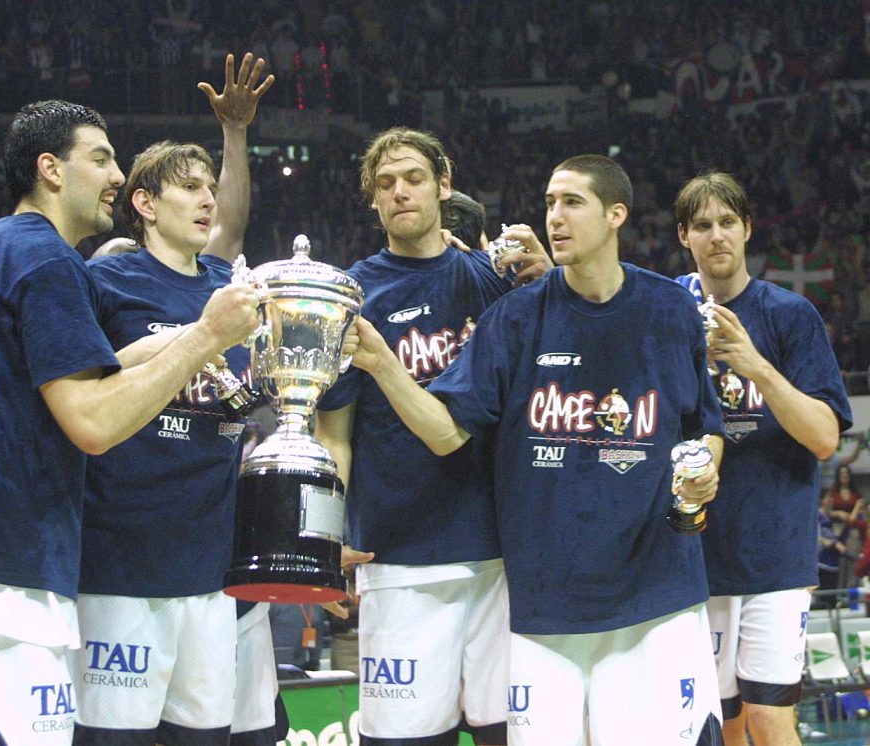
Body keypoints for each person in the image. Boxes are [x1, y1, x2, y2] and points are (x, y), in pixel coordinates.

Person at [0, 99, 261, 746]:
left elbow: (83, 369)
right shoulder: (48, 263)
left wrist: (187, 335)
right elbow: (93, 422)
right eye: (101, 158)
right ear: (50, 168)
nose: (115, 176)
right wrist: (207, 338)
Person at [342, 154, 726, 745]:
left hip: (658, 590)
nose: (555, 217)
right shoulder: (515, 316)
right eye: (549, 203)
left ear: (615, 214)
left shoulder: (669, 309)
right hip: (545, 600)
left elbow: (706, 428)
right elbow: (446, 432)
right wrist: (381, 364)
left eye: (572, 202)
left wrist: (705, 474)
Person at [314, 127, 549, 746]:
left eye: (413, 178)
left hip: (498, 554)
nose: (400, 193)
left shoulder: (495, 283)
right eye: (385, 184)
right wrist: (325, 536)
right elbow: (332, 434)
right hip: (398, 557)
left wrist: (551, 278)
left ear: (444, 186)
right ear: (372, 201)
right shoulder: (351, 296)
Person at [70, 53, 274, 745]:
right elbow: (88, 390)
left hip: (209, 567)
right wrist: (187, 339)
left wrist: (236, 138)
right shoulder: (107, 284)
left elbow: (235, 227)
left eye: (209, 187)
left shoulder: (227, 284)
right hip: (121, 560)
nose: (207, 198)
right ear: (145, 204)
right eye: (189, 187)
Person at [673, 171, 851, 746]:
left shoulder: (789, 315)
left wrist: (756, 366)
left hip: (775, 554)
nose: (717, 235)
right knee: (718, 726)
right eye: (703, 225)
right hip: (694, 556)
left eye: (728, 222)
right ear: (684, 236)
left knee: (772, 720)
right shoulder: (667, 310)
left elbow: (825, 437)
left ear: (748, 229)